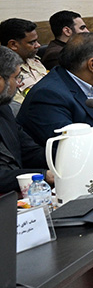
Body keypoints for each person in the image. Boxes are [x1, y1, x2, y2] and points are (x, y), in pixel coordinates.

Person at [0, 46, 49, 193]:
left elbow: (29, 151)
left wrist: (66, 157)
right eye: (16, 77)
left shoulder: (4, 109)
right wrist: (43, 175)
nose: (20, 83)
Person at [0, 18, 47, 110]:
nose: (38, 45)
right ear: (13, 45)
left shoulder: (33, 60)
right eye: (32, 42)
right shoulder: (7, 72)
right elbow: (18, 108)